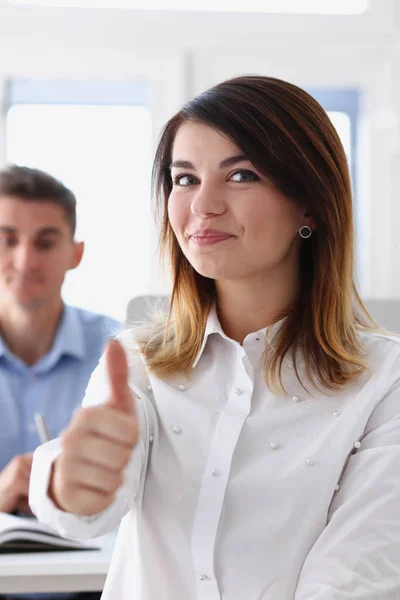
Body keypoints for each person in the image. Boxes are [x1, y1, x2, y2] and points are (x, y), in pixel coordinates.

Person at [30, 76, 400, 599]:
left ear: (310, 204)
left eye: (242, 175)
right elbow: (86, 513)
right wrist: (71, 481)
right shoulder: (137, 360)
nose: (203, 205)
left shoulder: (386, 381)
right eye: (184, 179)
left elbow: (354, 579)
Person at [0, 165, 120, 600]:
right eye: (7, 238)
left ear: (76, 252)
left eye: (46, 242)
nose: (25, 260)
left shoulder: (121, 354)